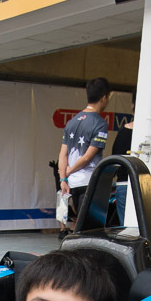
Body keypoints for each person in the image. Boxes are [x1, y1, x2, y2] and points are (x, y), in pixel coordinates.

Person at [58, 78, 111, 236]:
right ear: (104, 98)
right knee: (90, 231)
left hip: (72, 184)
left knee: (79, 227)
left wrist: (63, 179)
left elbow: (63, 154)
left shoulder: (71, 122)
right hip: (90, 183)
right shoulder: (100, 124)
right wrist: (69, 171)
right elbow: (88, 157)